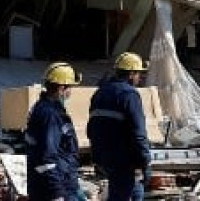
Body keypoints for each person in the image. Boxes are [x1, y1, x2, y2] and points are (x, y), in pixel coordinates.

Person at [87, 52, 151, 201]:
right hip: (124, 161)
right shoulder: (130, 95)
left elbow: (91, 129)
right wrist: (145, 162)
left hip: (105, 159)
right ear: (131, 74)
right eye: (138, 73)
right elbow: (138, 133)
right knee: (131, 191)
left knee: (124, 191)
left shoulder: (99, 93)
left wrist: (97, 157)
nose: (140, 78)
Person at [25, 62, 85, 201]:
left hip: (60, 182)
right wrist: (56, 192)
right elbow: (47, 155)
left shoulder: (46, 108)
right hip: (56, 186)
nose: (70, 92)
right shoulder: (50, 115)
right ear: (62, 88)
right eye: (70, 87)